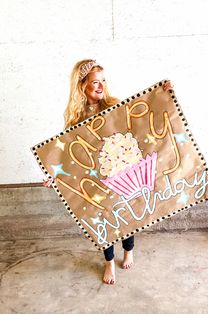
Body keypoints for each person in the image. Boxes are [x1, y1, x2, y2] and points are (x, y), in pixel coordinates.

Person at [44, 58, 173, 285]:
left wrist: (163, 96)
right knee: (102, 218)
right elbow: (66, 153)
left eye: (103, 80)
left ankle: (129, 249)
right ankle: (108, 262)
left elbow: (141, 122)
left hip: (120, 169)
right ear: (82, 85)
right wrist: (54, 176)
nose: (101, 85)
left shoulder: (115, 105)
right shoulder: (75, 118)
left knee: (125, 214)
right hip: (97, 177)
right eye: (95, 82)